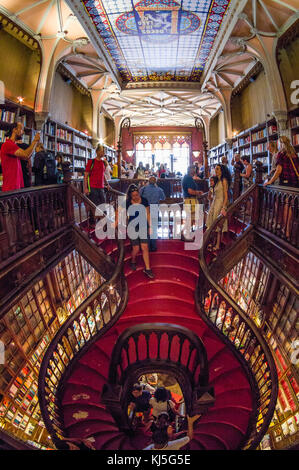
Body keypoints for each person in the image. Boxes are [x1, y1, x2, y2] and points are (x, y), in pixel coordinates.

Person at [125, 184, 154, 279]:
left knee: (145, 247)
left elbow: (148, 214)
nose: (136, 197)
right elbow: (124, 215)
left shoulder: (144, 200)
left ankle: (148, 269)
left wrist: (150, 226)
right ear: (130, 196)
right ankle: (133, 260)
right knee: (136, 249)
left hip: (143, 226)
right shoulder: (128, 202)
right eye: (133, 195)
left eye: (137, 195)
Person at [0, 122, 40, 192]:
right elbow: (26, 154)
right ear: (14, 130)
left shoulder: (14, 145)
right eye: (21, 129)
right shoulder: (8, 144)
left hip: (16, 186)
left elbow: (27, 157)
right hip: (10, 188)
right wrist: (35, 141)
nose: (23, 132)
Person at [84, 144, 111, 222]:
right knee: (95, 206)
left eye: (104, 151)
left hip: (101, 187)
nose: (103, 153)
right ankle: (94, 222)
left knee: (103, 205)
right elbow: (86, 176)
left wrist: (107, 184)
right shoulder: (91, 162)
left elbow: (103, 175)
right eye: (102, 151)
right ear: (97, 151)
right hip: (92, 187)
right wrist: (85, 188)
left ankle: (101, 222)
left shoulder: (103, 163)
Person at [206, 164, 229, 251]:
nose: (216, 171)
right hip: (215, 202)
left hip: (220, 203)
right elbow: (213, 194)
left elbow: (226, 196)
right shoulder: (216, 181)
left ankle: (218, 245)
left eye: (218, 169)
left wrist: (223, 207)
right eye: (215, 169)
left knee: (218, 225)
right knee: (213, 224)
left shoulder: (224, 180)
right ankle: (213, 242)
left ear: (222, 170)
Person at [140, 176, 166, 251]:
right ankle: (153, 246)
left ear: (148, 181)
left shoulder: (143, 189)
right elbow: (163, 198)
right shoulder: (159, 189)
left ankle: (147, 246)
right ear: (155, 182)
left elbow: (139, 196)